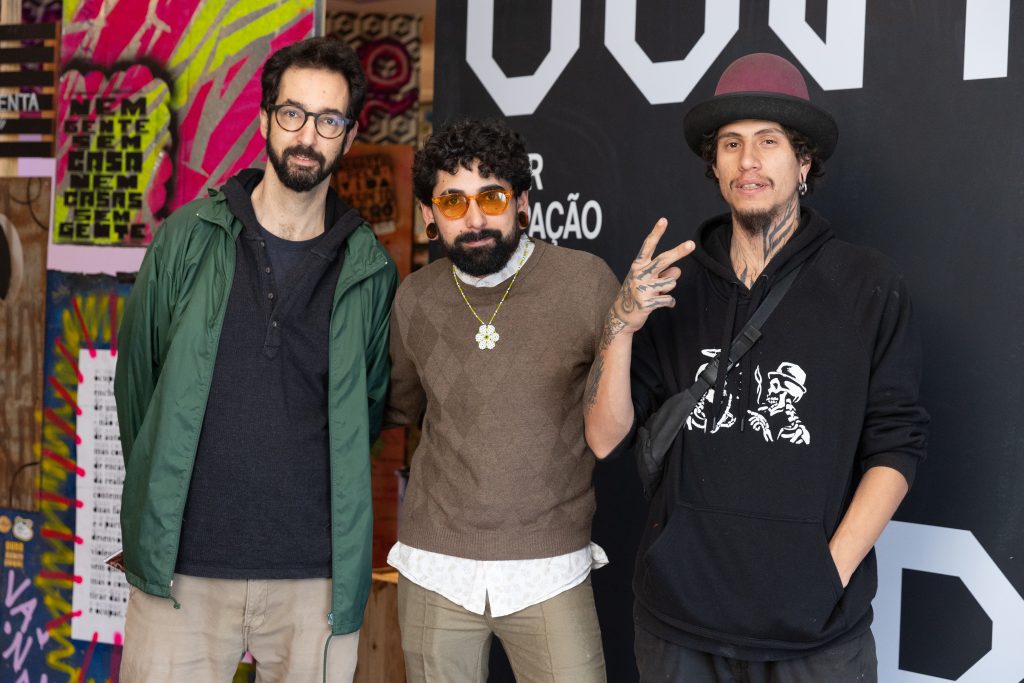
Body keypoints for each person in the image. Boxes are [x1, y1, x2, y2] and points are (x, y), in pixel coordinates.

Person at [583, 53, 928, 682]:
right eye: (731, 143)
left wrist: (828, 574)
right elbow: (604, 438)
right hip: (678, 625)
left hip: (812, 634)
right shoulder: (672, 286)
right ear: (714, 166)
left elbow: (896, 446)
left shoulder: (866, 284)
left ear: (803, 163)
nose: (748, 160)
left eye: (769, 141)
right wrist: (621, 325)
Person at [113, 36, 398, 682]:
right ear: (265, 119)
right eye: (293, 113)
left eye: (329, 120)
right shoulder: (188, 237)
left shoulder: (370, 269)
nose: (308, 136)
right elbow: (139, 388)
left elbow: (369, 411)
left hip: (315, 581)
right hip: (183, 570)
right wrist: (157, 500)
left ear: (349, 137)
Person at [385, 118, 617, 682]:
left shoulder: (585, 284)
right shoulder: (414, 298)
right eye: (452, 201)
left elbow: (615, 420)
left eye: (491, 197)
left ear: (522, 204)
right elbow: (400, 409)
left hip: (549, 568)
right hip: (434, 567)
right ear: (428, 214)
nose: (474, 219)